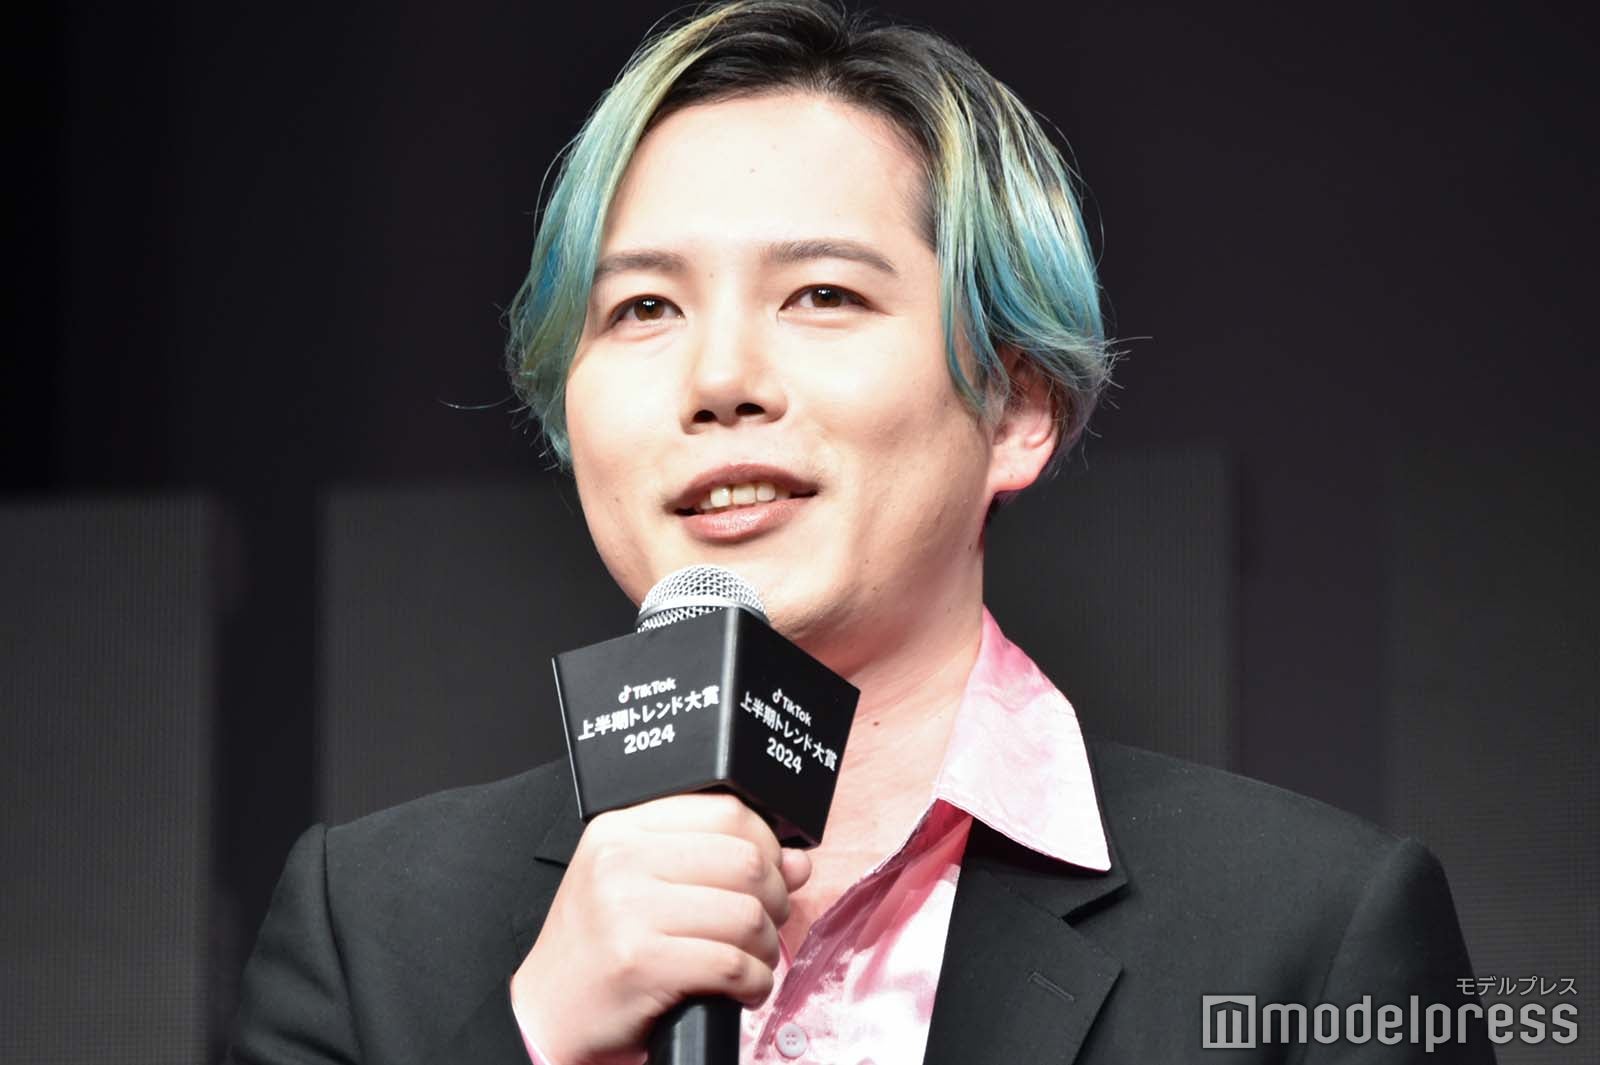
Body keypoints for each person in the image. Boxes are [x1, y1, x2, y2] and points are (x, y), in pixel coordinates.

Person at [228, 2, 1494, 1062]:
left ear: (1015, 409)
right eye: (643, 308)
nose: (719, 379)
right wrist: (533, 1041)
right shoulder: (366, 923)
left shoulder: (1305, 934)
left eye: (821, 293)